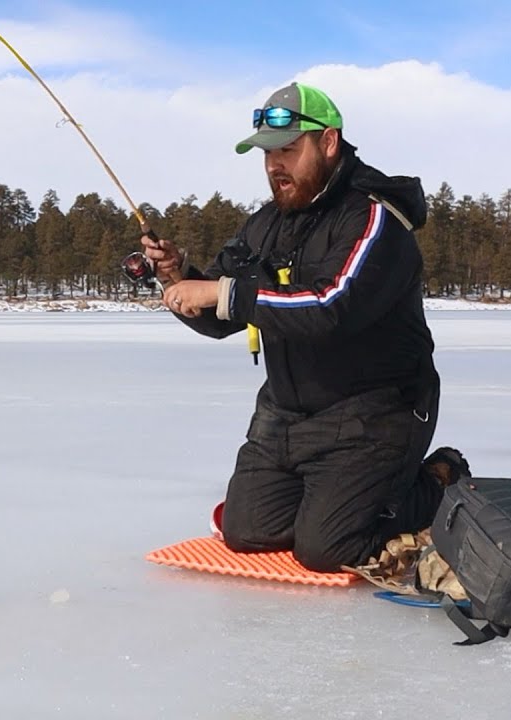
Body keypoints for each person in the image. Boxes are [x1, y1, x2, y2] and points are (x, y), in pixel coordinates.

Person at [142, 82, 468, 572]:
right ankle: (336, 499)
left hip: (376, 414)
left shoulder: (374, 218)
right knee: (245, 531)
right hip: (287, 418)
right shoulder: (266, 224)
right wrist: (178, 277)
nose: (275, 164)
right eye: (268, 154)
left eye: (289, 150)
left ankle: (440, 479)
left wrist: (221, 291)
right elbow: (219, 315)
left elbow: (332, 307)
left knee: (326, 549)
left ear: (329, 142)